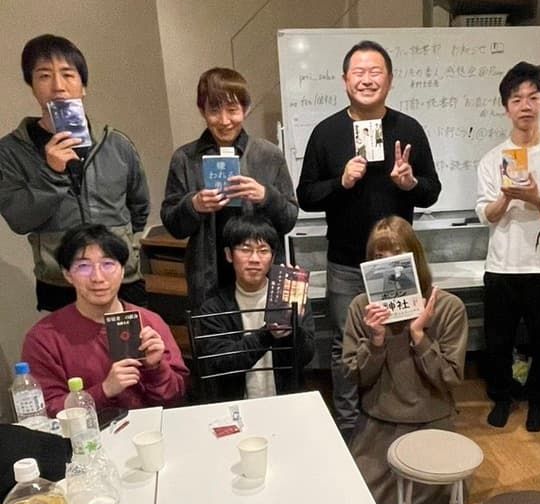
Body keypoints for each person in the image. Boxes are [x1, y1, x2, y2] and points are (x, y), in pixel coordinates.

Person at [297, 40, 441, 438]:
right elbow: (305, 195)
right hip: (345, 261)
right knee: (346, 343)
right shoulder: (326, 132)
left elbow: (432, 191)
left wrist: (410, 183)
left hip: (396, 264)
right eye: (358, 72)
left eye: (375, 72)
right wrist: (340, 182)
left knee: (399, 338)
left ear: (390, 80)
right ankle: (349, 424)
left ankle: (395, 414)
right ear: (344, 80)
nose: (366, 79)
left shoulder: (408, 129)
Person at [0, 34, 149, 311]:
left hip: (120, 278)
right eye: (44, 76)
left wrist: (123, 246)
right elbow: (19, 219)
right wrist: (52, 173)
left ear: (83, 86)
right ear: (31, 86)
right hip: (59, 282)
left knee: (132, 340)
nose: (58, 86)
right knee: (64, 341)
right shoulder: (11, 151)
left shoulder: (116, 143)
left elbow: (139, 207)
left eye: (68, 74)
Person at [342, 216, 467, 504]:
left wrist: (419, 336)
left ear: (415, 258)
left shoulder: (448, 307)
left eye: (398, 255)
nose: (389, 265)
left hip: (430, 419)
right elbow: (355, 377)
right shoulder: (362, 308)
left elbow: (451, 378)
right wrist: (376, 340)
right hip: (379, 420)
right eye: (379, 257)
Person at [161, 67, 297, 309]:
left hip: (262, 277)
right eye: (214, 110)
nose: (224, 121)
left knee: (267, 331)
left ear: (245, 109)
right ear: (202, 111)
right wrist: (194, 205)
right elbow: (173, 225)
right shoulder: (185, 158)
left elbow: (289, 220)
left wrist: (266, 196)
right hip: (207, 279)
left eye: (232, 110)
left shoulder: (268, 154)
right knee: (212, 331)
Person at [475, 62, 540, 432]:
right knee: (498, 340)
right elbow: (487, 215)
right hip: (502, 266)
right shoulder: (492, 159)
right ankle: (502, 397)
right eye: (516, 99)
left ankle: (539, 403)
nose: (525, 105)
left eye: (533, 97)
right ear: (506, 107)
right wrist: (508, 197)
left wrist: (534, 197)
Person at [22, 225, 189, 416]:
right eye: (84, 267)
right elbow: (47, 410)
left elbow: (177, 398)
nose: (98, 277)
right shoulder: (44, 337)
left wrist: (156, 368)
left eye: (108, 264)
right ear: (68, 274)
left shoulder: (150, 322)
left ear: (123, 270)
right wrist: (104, 391)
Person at [194, 217, 315, 400]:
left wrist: (290, 324)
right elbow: (222, 363)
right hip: (236, 405)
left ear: (272, 257)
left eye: (263, 251)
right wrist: (268, 334)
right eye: (245, 250)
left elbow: (305, 357)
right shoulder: (214, 308)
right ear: (228, 254)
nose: (255, 259)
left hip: (285, 401)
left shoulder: (291, 299)